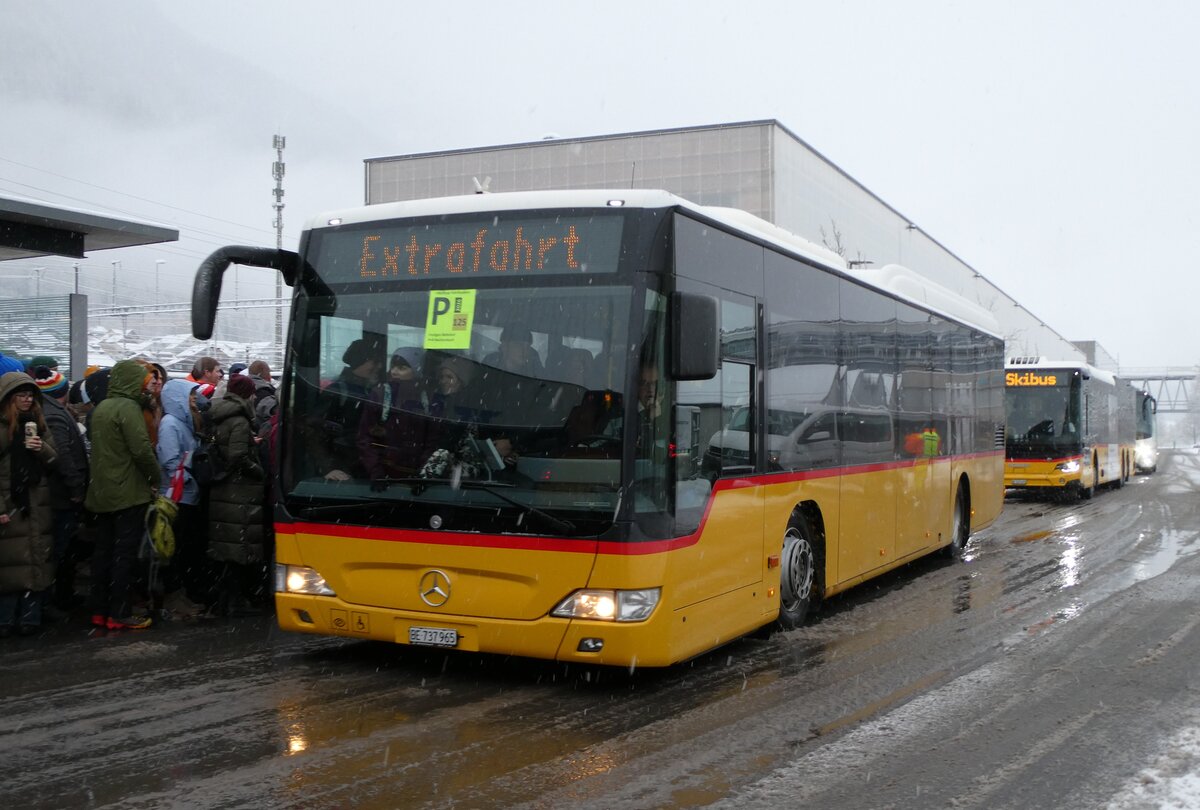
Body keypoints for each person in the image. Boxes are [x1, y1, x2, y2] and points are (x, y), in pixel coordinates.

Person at [84, 359, 162, 631]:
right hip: (128, 493)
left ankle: (99, 610)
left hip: (101, 492)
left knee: (103, 552)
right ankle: (120, 611)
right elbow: (141, 450)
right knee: (124, 555)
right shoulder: (128, 408)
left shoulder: (102, 408)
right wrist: (156, 477)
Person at [0, 372, 58, 637]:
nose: (26, 400)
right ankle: (6, 619)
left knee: (36, 560)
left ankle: (30, 619)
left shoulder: (39, 423)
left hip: (37, 502)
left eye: (30, 395)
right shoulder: (2, 428)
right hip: (12, 503)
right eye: (20, 395)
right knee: (11, 563)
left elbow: (53, 458)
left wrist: (40, 449)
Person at [207, 373, 268, 615]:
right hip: (239, 491)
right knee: (239, 549)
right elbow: (238, 456)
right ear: (247, 395)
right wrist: (258, 471)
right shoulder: (241, 420)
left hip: (223, 489)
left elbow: (226, 447)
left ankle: (221, 601)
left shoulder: (220, 414)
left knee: (225, 550)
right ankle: (235, 602)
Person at [33, 366, 89, 614]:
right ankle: (48, 601)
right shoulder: (54, 415)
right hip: (60, 495)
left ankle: (51, 598)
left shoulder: (51, 410)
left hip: (57, 494)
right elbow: (62, 455)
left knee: (58, 548)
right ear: (62, 391)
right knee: (57, 549)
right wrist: (75, 485)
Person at [155, 378, 206, 620]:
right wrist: (189, 477)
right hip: (178, 497)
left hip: (188, 495)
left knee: (186, 550)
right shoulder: (170, 424)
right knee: (177, 552)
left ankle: (182, 595)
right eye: (190, 395)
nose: (194, 399)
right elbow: (170, 460)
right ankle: (174, 598)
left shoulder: (182, 423)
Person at [316, 336, 385, 480]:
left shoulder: (373, 390)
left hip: (367, 468)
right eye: (375, 362)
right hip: (344, 471)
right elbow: (315, 432)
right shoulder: (337, 391)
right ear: (359, 362)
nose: (379, 366)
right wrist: (328, 468)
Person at [358, 348, 429, 484]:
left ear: (416, 371)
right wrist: (375, 470)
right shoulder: (380, 394)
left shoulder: (425, 397)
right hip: (384, 473)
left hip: (415, 476)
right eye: (393, 367)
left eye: (402, 368)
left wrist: (424, 473)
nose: (394, 372)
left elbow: (432, 439)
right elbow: (364, 437)